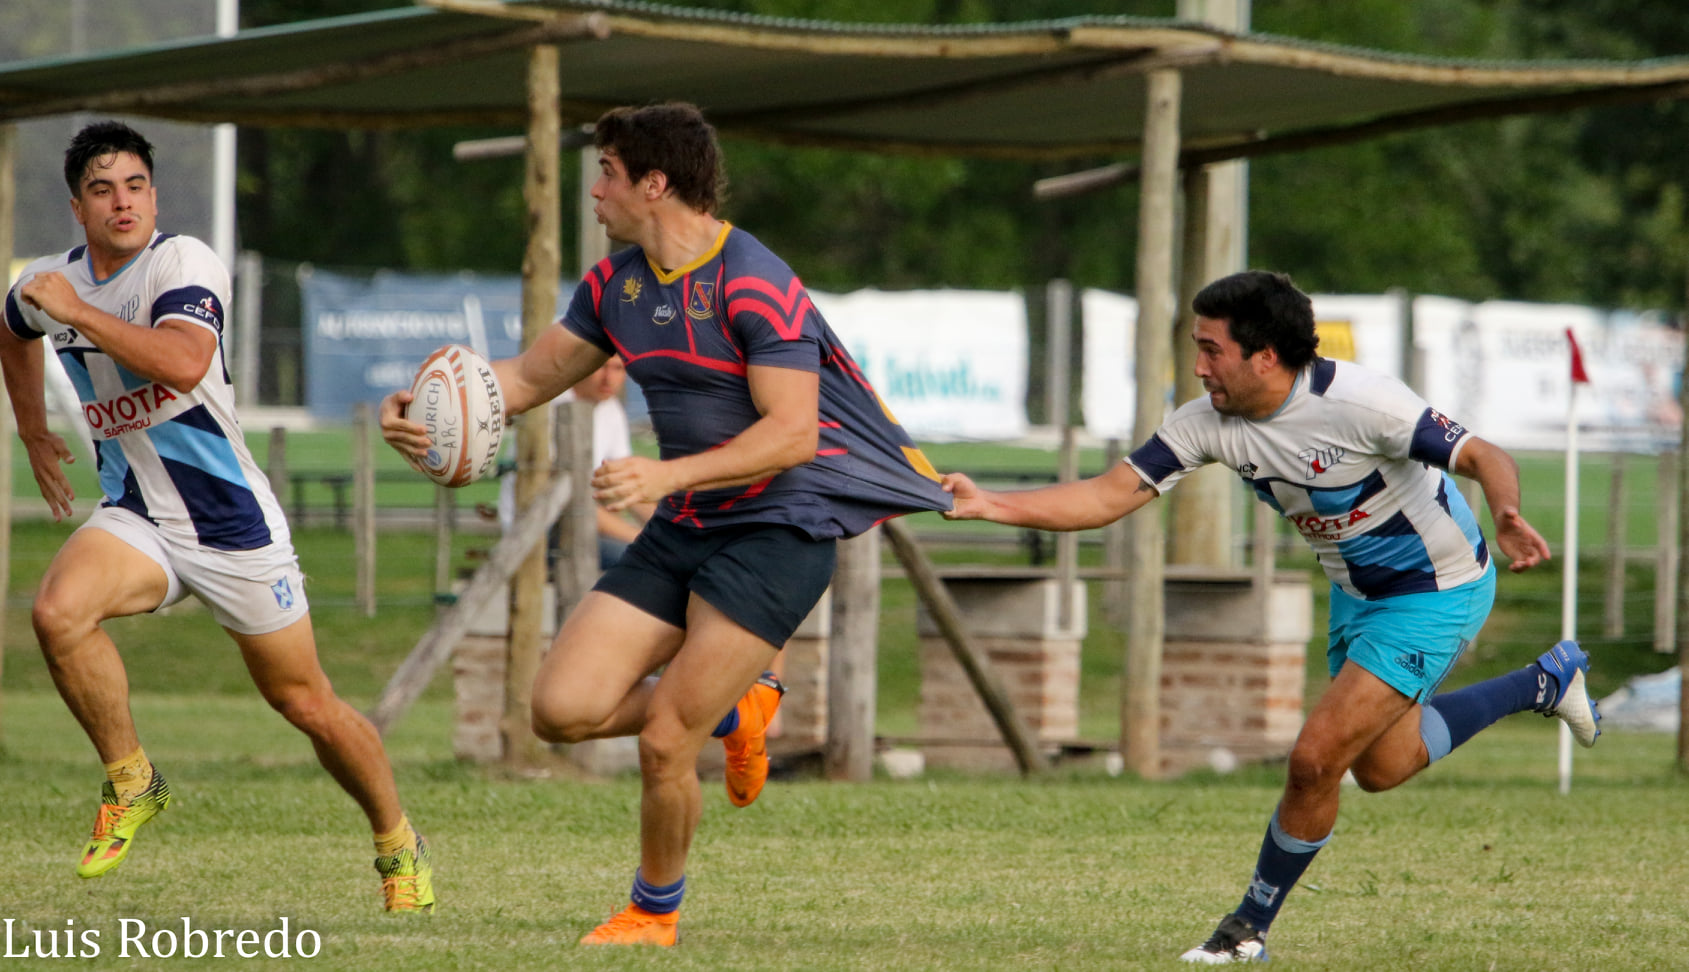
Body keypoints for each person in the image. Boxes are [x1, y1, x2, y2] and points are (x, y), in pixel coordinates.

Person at [380, 102, 951, 946]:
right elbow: (529, 378)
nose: (595, 192)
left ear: (655, 183)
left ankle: (654, 914)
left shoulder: (754, 280)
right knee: (560, 710)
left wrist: (664, 474)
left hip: (779, 531)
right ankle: (736, 708)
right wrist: (430, 409)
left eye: (607, 174)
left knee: (660, 737)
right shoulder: (616, 284)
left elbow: (793, 432)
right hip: (687, 525)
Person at [940, 270, 1601, 964]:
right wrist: (992, 504)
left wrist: (1504, 516)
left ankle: (1246, 927)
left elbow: (1482, 454)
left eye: (1209, 350)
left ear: (1263, 355)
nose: (1197, 367)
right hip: (1357, 596)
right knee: (1380, 768)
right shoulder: (1205, 423)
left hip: (1437, 589)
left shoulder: (1364, 403)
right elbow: (1109, 495)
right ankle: (1542, 684)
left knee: (1313, 761)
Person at [0, 121, 434, 913]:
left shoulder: (183, 261)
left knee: (306, 703)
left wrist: (76, 314)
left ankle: (398, 842)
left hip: (231, 524)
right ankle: (133, 781)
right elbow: (13, 325)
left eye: (134, 185)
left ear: (154, 195)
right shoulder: (50, 281)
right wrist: (32, 426)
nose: (121, 201)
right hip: (138, 516)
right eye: (102, 189)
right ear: (77, 206)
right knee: (59, 613)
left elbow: (181, 361)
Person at [492, 355, 653, 569]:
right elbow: (574, 504)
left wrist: (667, 532)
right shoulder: (549, 409)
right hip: (537, 531)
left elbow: (626, 486)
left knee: (663, 557)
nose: (609, 378)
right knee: (645, 561)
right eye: (601, 367)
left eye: (618, 369)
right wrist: (645, 539)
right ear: (582, 366)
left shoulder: (611, 409)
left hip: (582, 523)